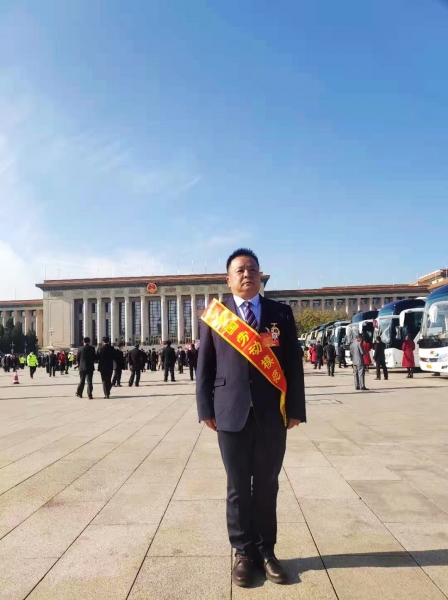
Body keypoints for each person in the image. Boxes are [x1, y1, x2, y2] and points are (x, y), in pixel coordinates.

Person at [196, 248, 306, 588]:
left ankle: (266, 552)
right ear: (228, 279)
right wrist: (205, 409)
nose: (248, 275)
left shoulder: (280, 313)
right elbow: (205, 366)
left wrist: (296, 409)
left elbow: (293, 363)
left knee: (268, 486)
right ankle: (243, 554)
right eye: (241, 270)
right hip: (230, 412)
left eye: (253, 270)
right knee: (238, 487)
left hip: (273, 414)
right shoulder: (217, 317)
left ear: (261, 276)